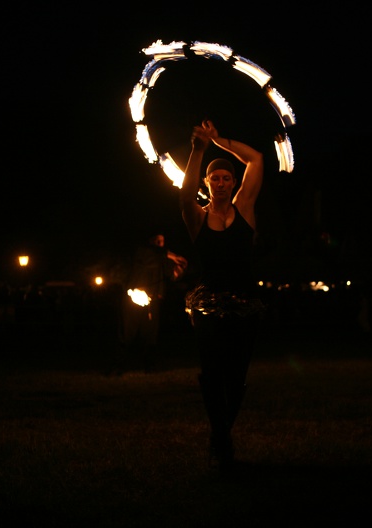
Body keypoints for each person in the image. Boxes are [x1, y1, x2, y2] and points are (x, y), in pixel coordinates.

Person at [179, 119, 265, 472]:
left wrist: (217, 140)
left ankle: (221, 434)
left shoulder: (244, 209)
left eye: (227, 177)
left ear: (234, 183)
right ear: (207, 184)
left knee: (237, 375)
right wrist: (198, 151)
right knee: (212, 373)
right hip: (208, 305)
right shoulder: (197, 218)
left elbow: (257, 159)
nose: (221, 181)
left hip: (244, 303)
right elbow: (184, 195)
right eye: (214, 177)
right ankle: (221, 437)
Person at [119, 232, 187, 373]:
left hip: (153, 300)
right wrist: (172, 255)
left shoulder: (162, 258)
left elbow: (172, 276)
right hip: (135, 298)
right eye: (157, 241)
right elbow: (153, 254)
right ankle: (122, 364)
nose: (160, 244)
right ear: (150, 241)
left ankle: (148, 365)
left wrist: (180, 269)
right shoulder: (142, 253)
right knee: (129, 332)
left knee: (150, 334)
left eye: (162, 241)